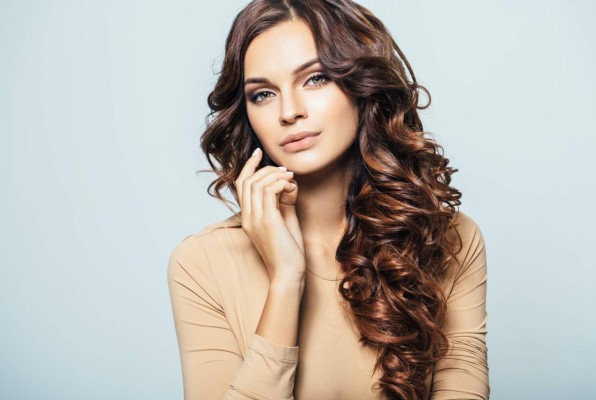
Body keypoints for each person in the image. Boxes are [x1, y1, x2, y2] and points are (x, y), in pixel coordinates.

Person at [167, 0, 489, 399]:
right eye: (263, 94)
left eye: (315, 79)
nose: (290, 111)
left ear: (363, 85)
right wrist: (287, 278)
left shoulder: (448, 239)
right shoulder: (201, 263)